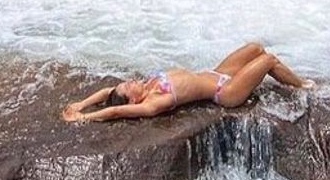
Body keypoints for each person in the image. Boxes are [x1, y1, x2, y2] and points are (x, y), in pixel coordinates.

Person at [62, 42, 313, 122]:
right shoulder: (153, 102)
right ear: (134, 99)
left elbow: (108, 93)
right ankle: (303, 85)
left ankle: (294, 81)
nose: (130, 81)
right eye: (129, 87)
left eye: (126, 82)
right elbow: (116, 109)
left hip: (217, 73)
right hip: (225, 91)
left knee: (256, 47)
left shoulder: (147, 84)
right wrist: (84, 119)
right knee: (268, 60)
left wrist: (81, 104)